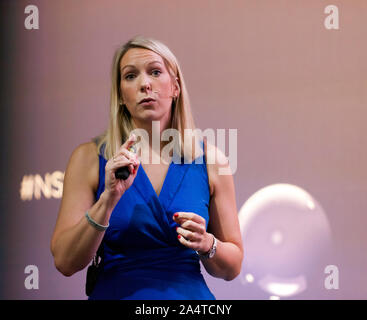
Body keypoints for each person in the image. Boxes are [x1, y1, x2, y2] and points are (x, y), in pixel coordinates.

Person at [50, 36, 243, 300]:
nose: (145, 84)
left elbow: (232, 267)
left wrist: (208, 244)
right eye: (130, 76)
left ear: (175, 87)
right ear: (120, 94)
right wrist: (107, 200)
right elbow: (64, 261)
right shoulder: (89, 158)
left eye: (155, 72)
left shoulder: (211, 159)